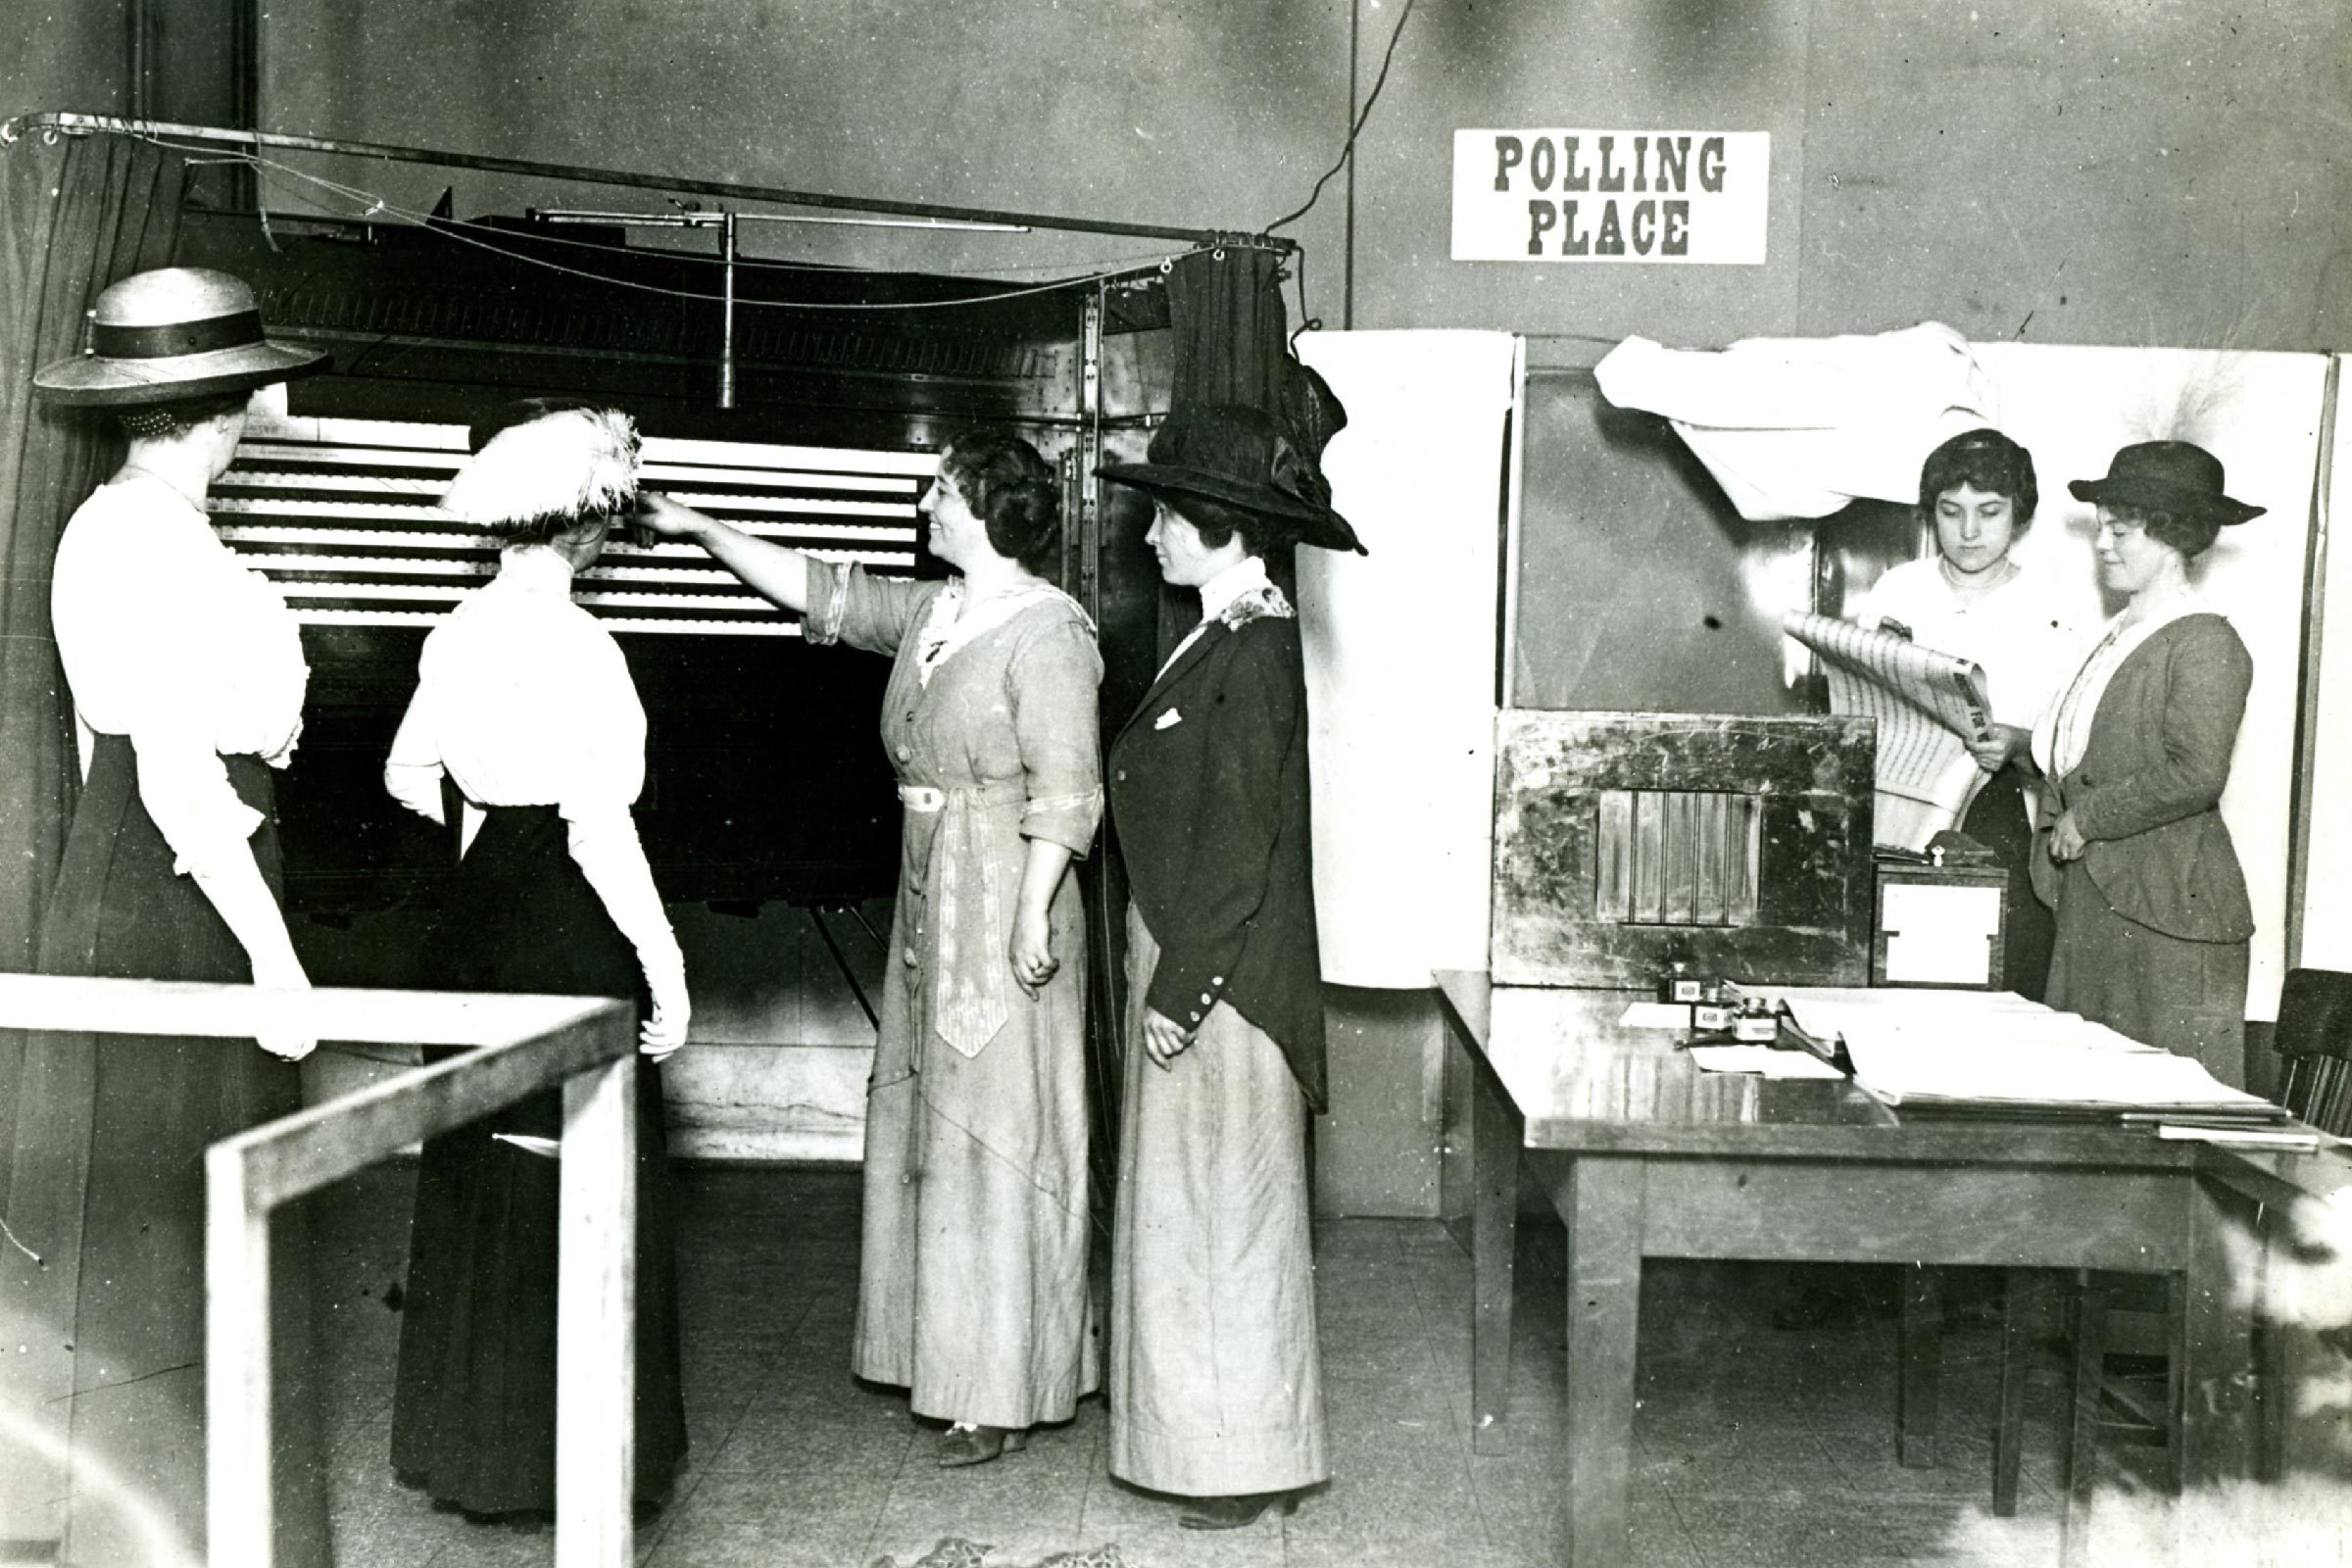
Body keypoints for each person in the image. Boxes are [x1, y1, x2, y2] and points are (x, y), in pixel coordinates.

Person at [639, 429, 1102, 1466]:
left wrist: (1032, 912)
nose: (925, 503)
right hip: (930, 890)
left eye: (940, 489)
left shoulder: (1050, 632)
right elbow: (820, 591)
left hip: (1007, 897)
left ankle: (1001, 1388)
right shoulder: (936, 613)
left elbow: (1069, 792)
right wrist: (701, 526)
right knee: (934, 1132)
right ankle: (943, 1362)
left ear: (987, 504)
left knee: (1000, 1137)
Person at [3, 266, 331, 1565]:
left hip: (142, 885)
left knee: (169, 1239)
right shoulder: (147, 542)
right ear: (230, 405)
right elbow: (181, 784)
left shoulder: (138, 531)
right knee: (164, 1249)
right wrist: (277, 959)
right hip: (173, 899)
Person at [383, 400, 692, 1514]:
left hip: (474, 921)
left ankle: (471, 1449)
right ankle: (573, 1460)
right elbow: (601, 830)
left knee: (481, 1162)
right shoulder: (587, 648)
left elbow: (407, 776)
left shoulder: (454, 630)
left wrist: (484, 838)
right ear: (591, 529)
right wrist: (667, 964)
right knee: (583, 1169)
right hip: (567, 919)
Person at [1097, 403, 1363, 1531]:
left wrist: (1181, 987)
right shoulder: (1225, 630)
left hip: (1225, 976)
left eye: (1165, 515)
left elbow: (1241, 840)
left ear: (1215, 526)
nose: (1151, 535)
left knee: (1219, 1224)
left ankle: (1238, 1463)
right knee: (1207, 1221)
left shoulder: (1250, 647)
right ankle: (1226, 1449)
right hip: (1206, 955)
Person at [2032, 440, 2263, 1086]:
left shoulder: (2204, 640)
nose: (2102, 543)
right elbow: (2095, 751)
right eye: (2101, 527)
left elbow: (2195, 772)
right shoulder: (2125, 631)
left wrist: (2089, 818)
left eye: (2120, 530)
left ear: (2171, 537)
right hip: (2102, 903)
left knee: (2165, 1116)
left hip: (2165, 918)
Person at [1852, 427, 2087, 998]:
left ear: (2020, 516)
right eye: (1951, 512)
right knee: (1896, 974)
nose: (1970, 531)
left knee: (1991, 979)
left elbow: (2075, 746)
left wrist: (2020, 743)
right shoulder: (1897, 589)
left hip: (2001, 816)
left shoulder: (2053, 605)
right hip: (1901, 811)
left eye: (1989, 511)